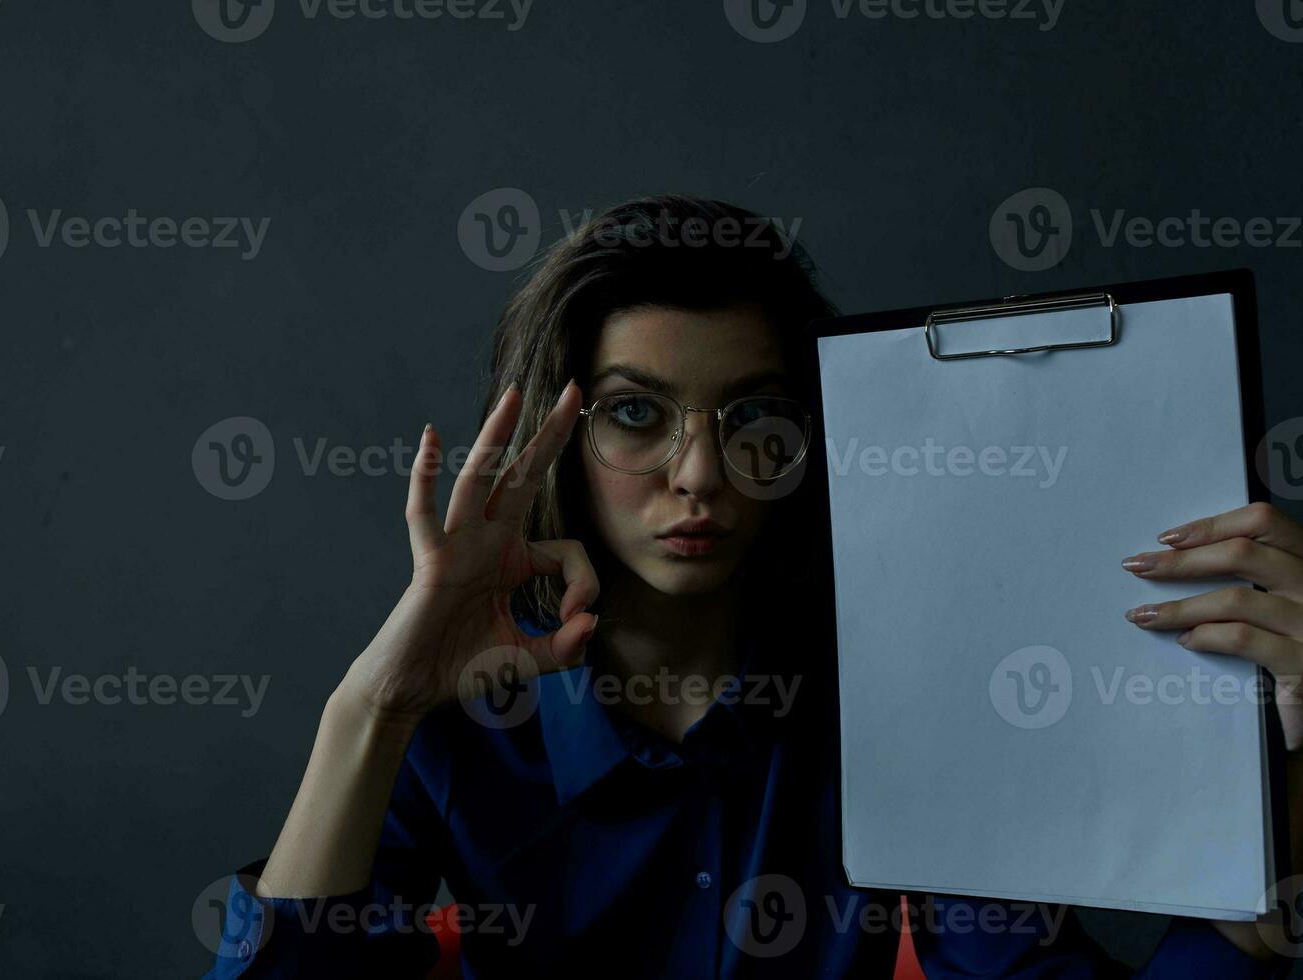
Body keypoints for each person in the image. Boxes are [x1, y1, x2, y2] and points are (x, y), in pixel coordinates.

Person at [204, 195, 1303, 977]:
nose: (698, 474)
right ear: (558, 437)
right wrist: (373, 705)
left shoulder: (904, 714)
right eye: (636, 411)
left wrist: (1281, 812)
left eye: (752, 421)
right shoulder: (465, 729)